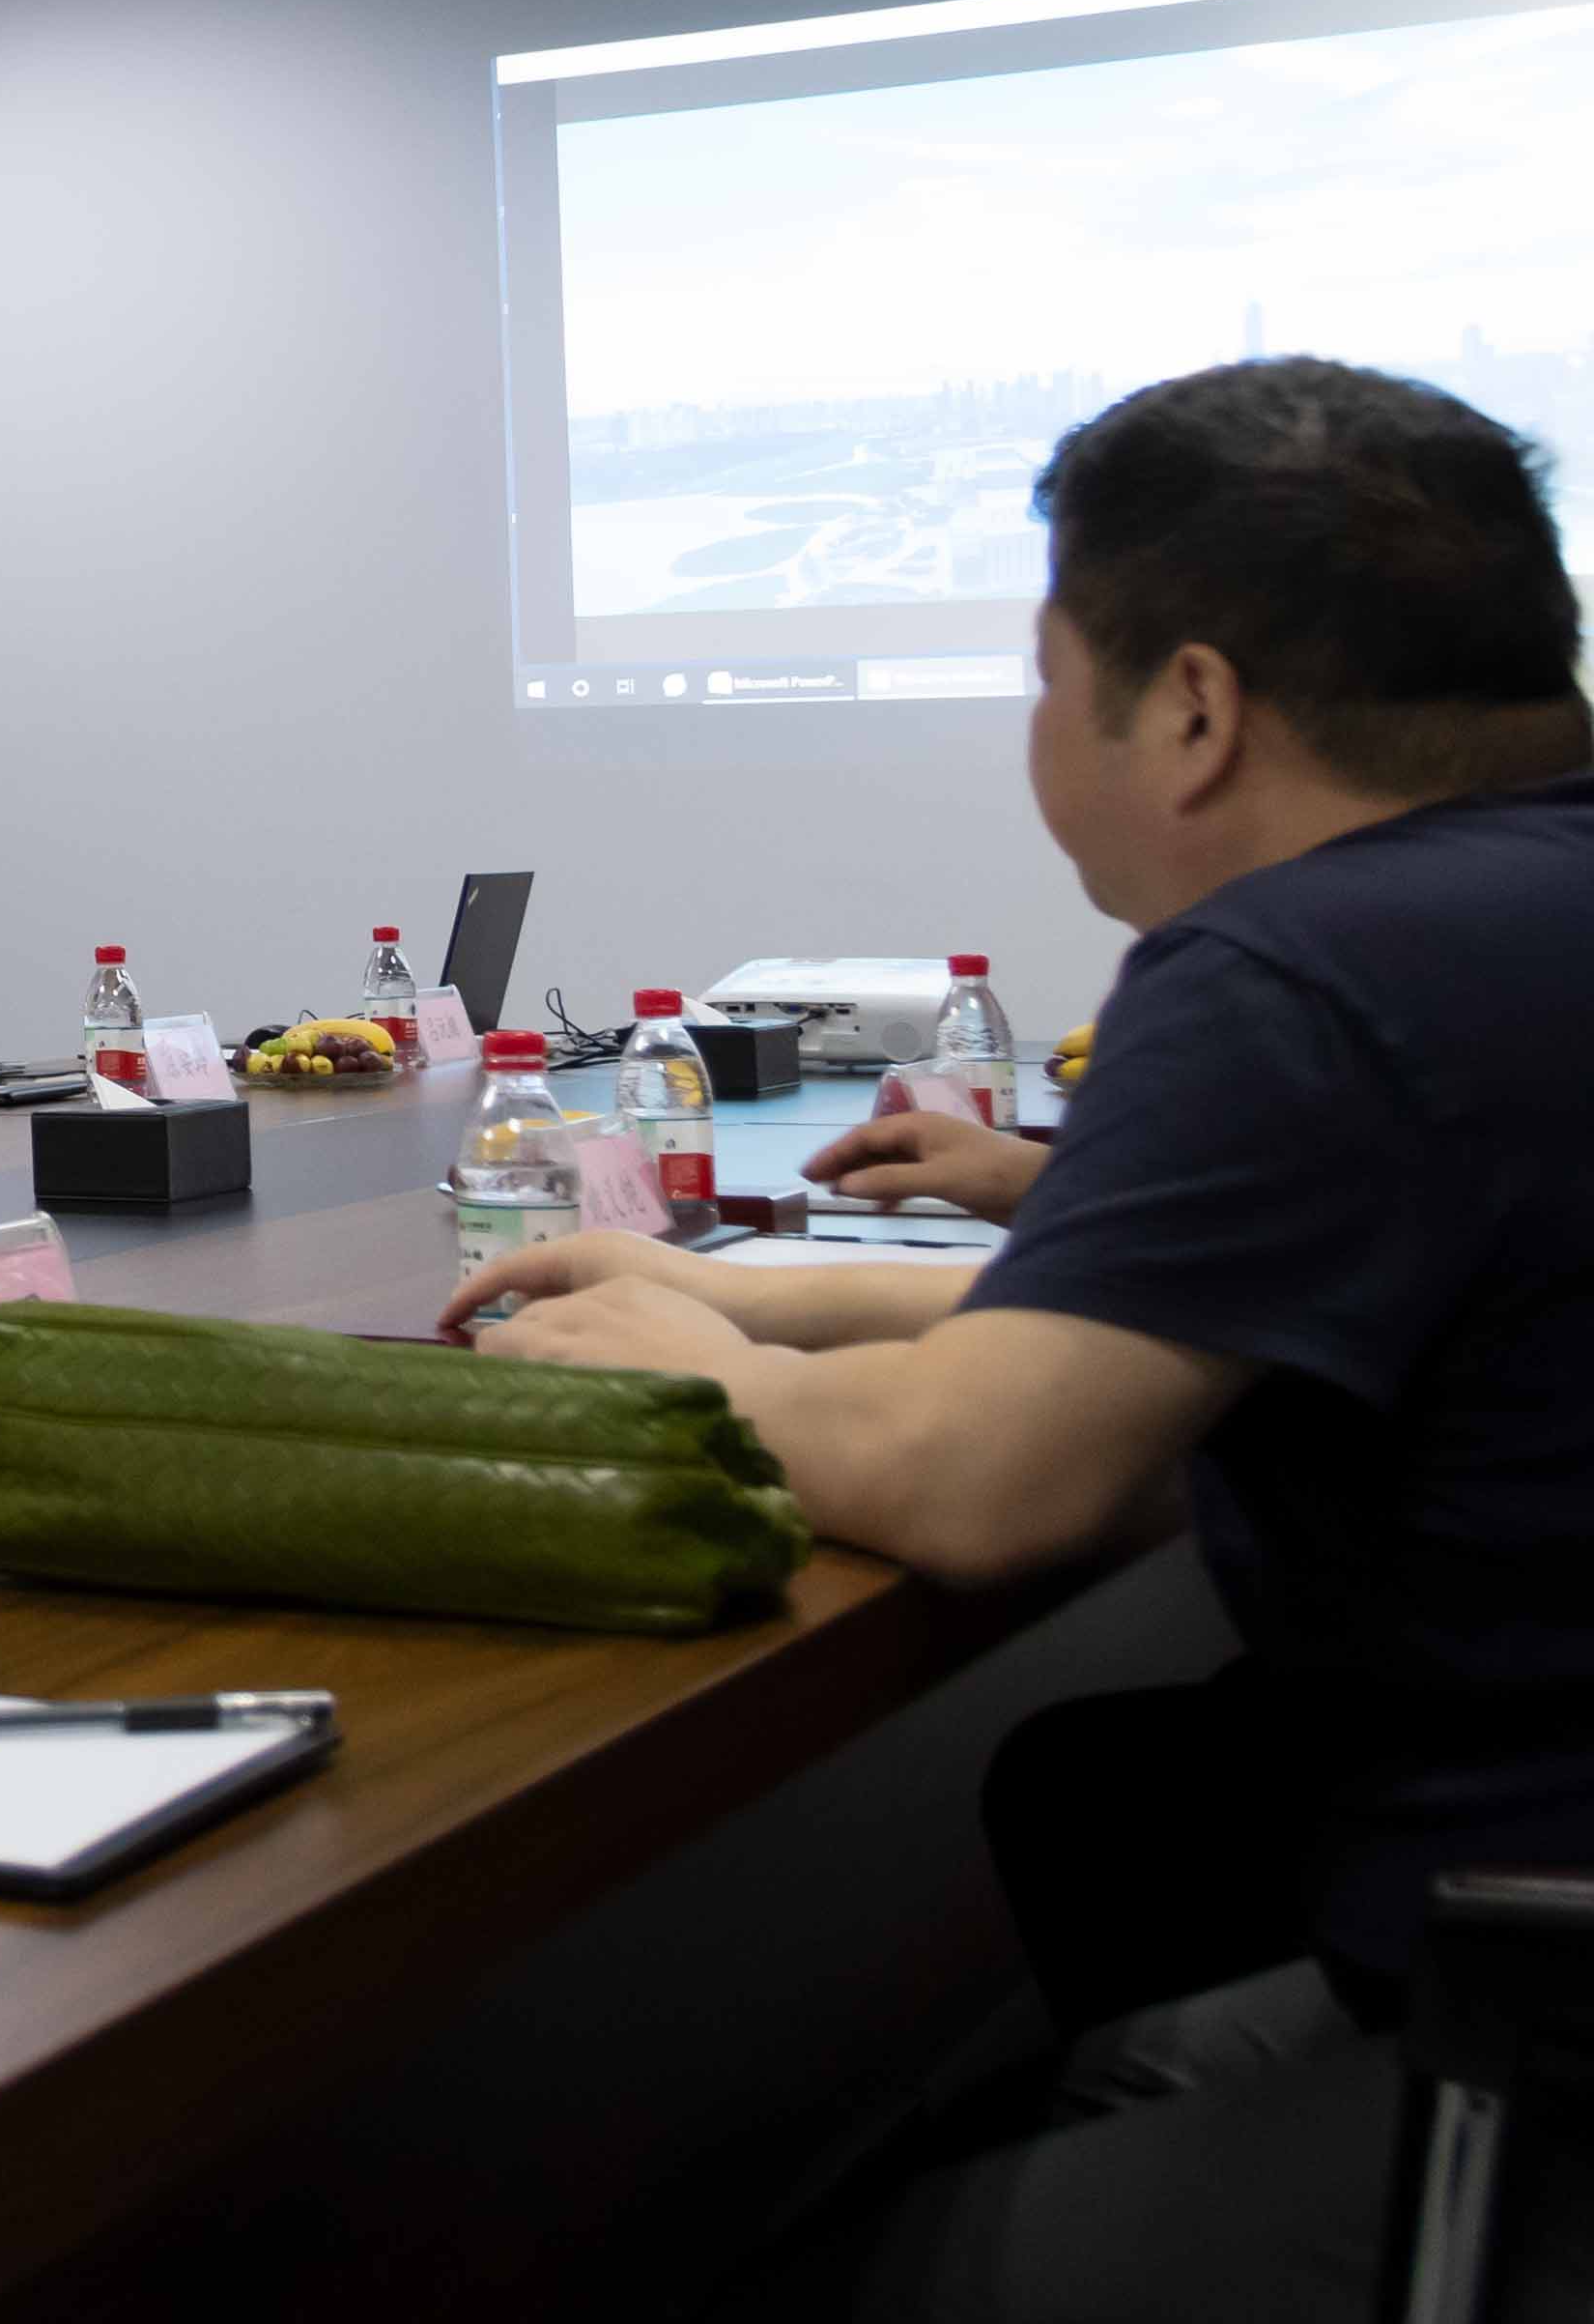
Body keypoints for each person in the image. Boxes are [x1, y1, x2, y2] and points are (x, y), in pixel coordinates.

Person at [439, 359, 1594, 2323]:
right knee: (1093, 1945)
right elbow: (1243, 1320)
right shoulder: (1512, 908)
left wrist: (698, 1364)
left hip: (1538, 2005)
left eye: (1045, 678)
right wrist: (766, 1292)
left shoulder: (1299, 960)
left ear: (1193, 708)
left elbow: (990, 1476)